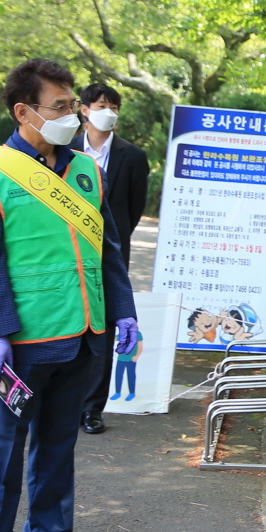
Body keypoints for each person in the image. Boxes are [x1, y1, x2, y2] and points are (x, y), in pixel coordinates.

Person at [0, 58, 137, 532]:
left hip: (82, 335)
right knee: (0, 450)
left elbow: (109, 251)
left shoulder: (85, 170)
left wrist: (121, 309)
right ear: (23, 112)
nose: (73, 116)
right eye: (59, 107)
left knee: (57, 445)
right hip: (22, 343)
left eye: (72, 105)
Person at [75, 83, 152, 435]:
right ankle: (62, 404)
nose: (110, 111)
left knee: (105, 328)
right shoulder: (63, 149)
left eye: (115, 106)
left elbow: (134, 209)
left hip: (109, 252)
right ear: (84, 110)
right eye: (103, 104)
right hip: (64, 250)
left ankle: (92, 409)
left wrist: (112, 241)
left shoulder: (132, 157)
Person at [111, 330, 143, 402]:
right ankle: (117, 393)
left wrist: (137, 356)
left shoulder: (137, 334)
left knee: (131, 376)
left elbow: (140, 345)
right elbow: (114, 338)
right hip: (121, 358)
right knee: (118, 376)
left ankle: (132, 393)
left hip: (131, 359)